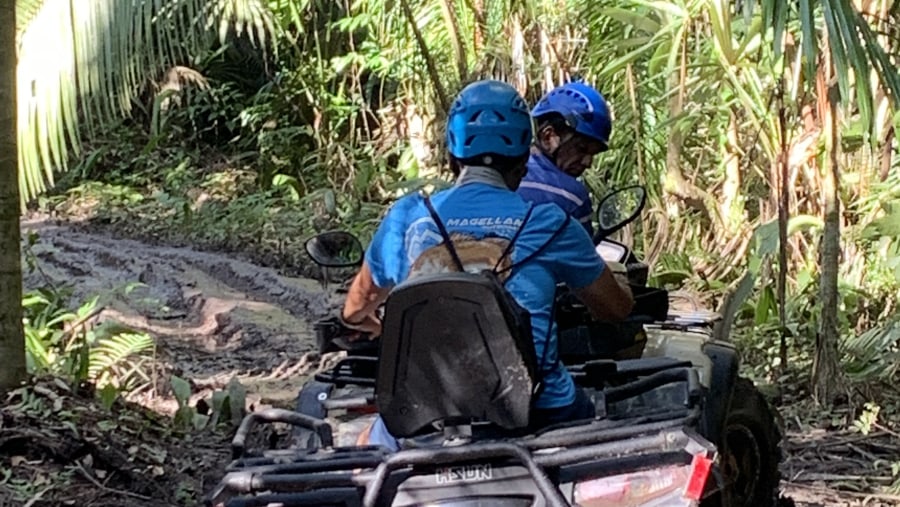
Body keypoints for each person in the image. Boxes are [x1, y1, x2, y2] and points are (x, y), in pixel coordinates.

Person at [339, 79, 634, 451]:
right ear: (525, 160)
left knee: (366, 447)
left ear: (452, 155)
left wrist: (368, 321)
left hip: (429, 414)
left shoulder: (408, 218)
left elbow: (356, 305)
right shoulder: (551, 223)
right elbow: (616, 310)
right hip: (541, 411)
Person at [517, 81, 613, 236]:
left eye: (593, 155)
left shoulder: (505, 175)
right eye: (581, 149)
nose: (587, 163)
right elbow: (584, 257)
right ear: (548, 137)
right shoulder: (573, 196)